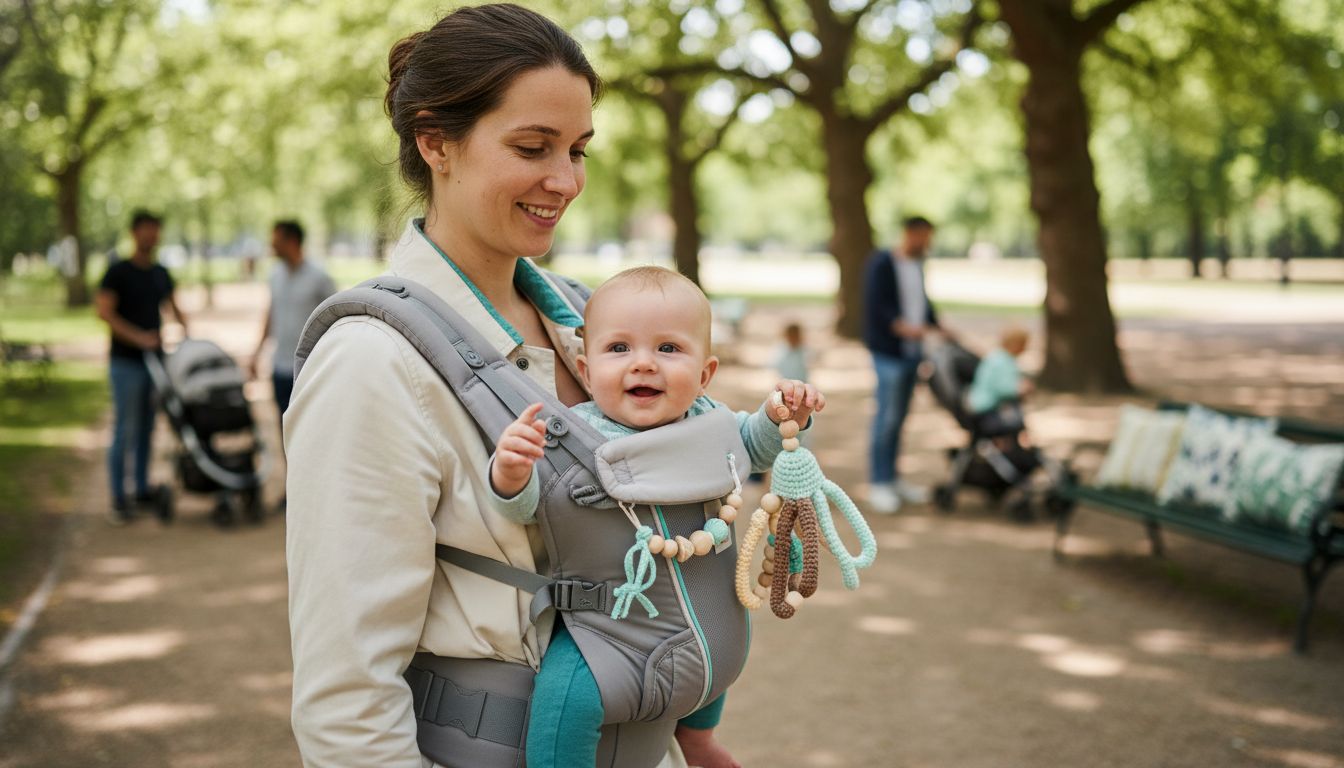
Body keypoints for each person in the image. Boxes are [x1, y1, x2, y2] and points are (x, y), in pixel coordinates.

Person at [285, 7, 736, 767]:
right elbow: (346, 693)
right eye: (533, 147)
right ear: (436, 143)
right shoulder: (371, 362)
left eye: (578, 150)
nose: (566, 181)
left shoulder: (592, 324)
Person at [490, 266, 823, 768]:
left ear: (705, 375)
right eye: (619, 348)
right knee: (564, 698)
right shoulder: (574, 438)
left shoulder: (710, 423)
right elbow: (527, 506)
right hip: (611, 634)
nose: (643, 363)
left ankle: (698, 739)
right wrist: (511, 472)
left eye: (668, 348)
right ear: (585, 370)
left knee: (715, 649)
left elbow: (754, 446)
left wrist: (783, 417)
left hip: (714, 624)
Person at [95, 210, 189, 525]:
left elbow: (174, 308)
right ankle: (118, 498)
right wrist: (138, 338)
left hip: (155, 363)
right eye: (146, 229)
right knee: (125, 428)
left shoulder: (160, 273)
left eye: (155, 230)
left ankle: (140, 488)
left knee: (148, 427)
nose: (151, 235)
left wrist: (189, 340)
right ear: (135, 233)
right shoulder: (117, 272)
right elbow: (104, 312)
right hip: (126, 362)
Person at [861, 216, 952, 515]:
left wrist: (936, 326)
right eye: (923, 236)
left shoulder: (918, 265)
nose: (926, 243)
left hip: (913, 352)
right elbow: (877, 307)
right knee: (886, 418)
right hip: (889, 353)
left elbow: (921, 304)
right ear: (910, 234)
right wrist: (903, 328)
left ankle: (893, 478)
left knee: (900, 418)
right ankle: (879, 482)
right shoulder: (883, 263)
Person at [248, 219, 336, 509]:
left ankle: (317, 492)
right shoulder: (274, 275)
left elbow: (336, 320)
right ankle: (294, 490)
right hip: (280, 368)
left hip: (310, 370)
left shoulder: (319, 278)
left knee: (313, 431)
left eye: (276, 240)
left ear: (292, 241)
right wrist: (257, 352)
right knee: (285, 430)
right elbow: (271, 314)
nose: (271, 246)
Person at [967, 326, 1034, 441]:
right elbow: (1005, 389)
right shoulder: (1004, 361)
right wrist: (1022, 388)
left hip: (977, 405)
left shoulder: (995, 356)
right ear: (1016, 344)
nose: (1025, 349)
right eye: (1023, 345)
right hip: (987, 410)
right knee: (1015, 415)